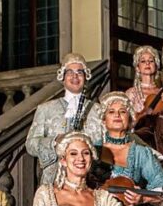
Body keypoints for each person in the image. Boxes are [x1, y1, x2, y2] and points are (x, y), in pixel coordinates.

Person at [25, 52, 104, 184]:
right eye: (70, 72)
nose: (75, 76)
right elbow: (30, 145)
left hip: (89, 180)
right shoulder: (46, 109)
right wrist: (55, 141)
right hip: (53, 180)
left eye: (79, 72)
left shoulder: (98, 110)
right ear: (63, 76)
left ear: (85, 77)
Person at [124, 45, 163, 155]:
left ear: (156, 66)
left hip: (161, 137)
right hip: (138, 137)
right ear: (137, 68)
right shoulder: (131, 93)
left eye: (151, 61)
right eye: (143, 61)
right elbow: (125, 121)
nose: (147, 63)